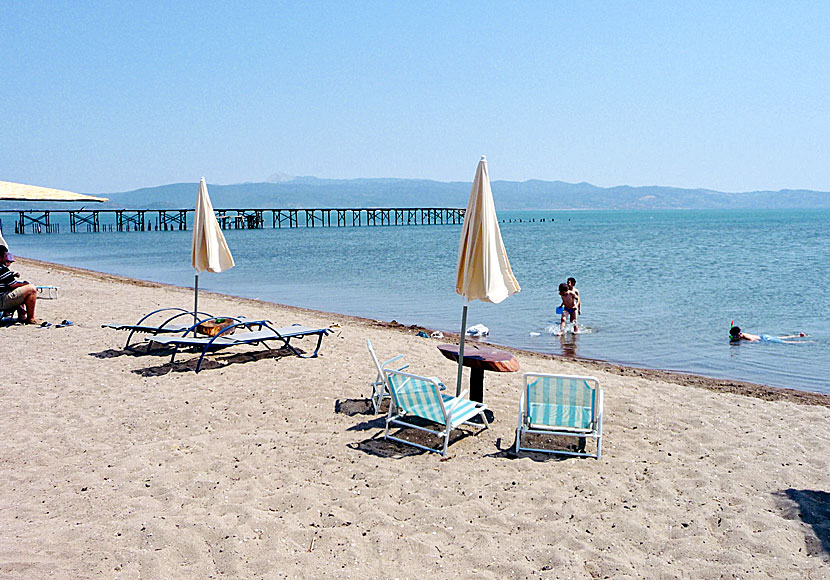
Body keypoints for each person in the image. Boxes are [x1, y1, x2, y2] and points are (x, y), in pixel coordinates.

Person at [0, 246, 40, 324]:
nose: (6, 259)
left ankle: (22, 316)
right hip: (1, 300)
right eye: (5, 256)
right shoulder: (2, 268)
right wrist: (25, 284)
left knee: (20, 290)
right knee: (31, 289)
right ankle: (31, 319)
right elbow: (13, 285)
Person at [729, 325, 806, 344]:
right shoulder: (742, 334)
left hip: (764, 339)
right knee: (782, 337)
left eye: (735, 335)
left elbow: (752, 340)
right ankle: (798, 336)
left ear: (738, 334)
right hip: (764, 336)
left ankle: (803, 342)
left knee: (784, 341)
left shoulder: (744, 336)